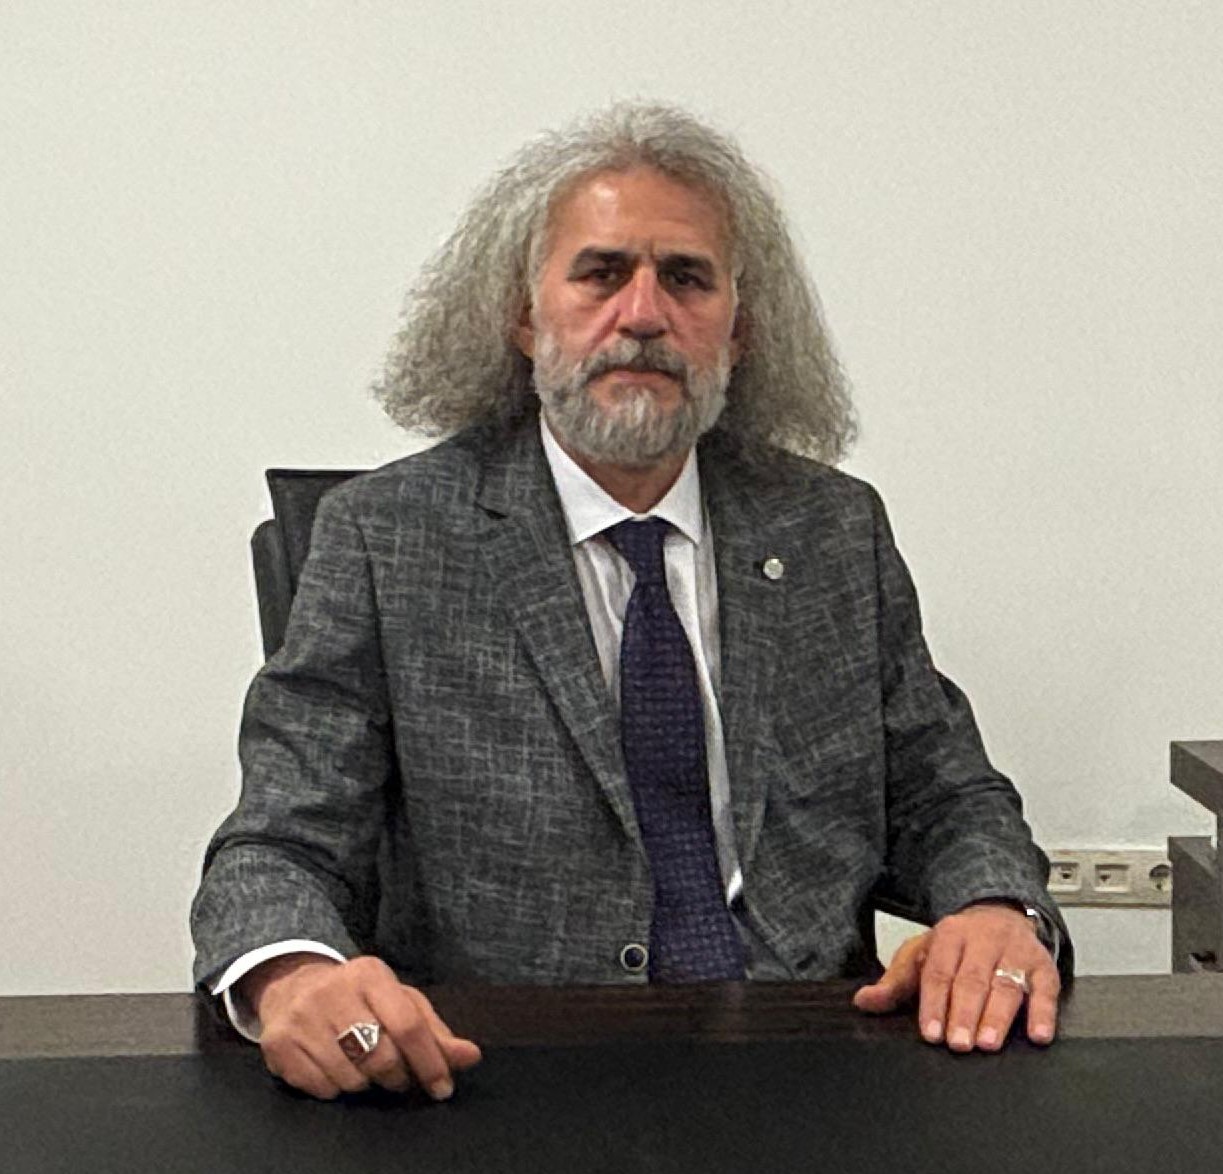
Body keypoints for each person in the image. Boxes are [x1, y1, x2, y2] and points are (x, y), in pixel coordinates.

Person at [191, 102, 1072, 1102]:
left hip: (809, 1069)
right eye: (601, 273)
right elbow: (277, 843)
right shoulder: (387, 537)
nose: (644, 314)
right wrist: (292, 974)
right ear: (524, 316)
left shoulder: (830, 530)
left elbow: (944, 794)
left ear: (738, 329)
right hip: (503, 1080)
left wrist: (997, 910)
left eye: (686, 278)